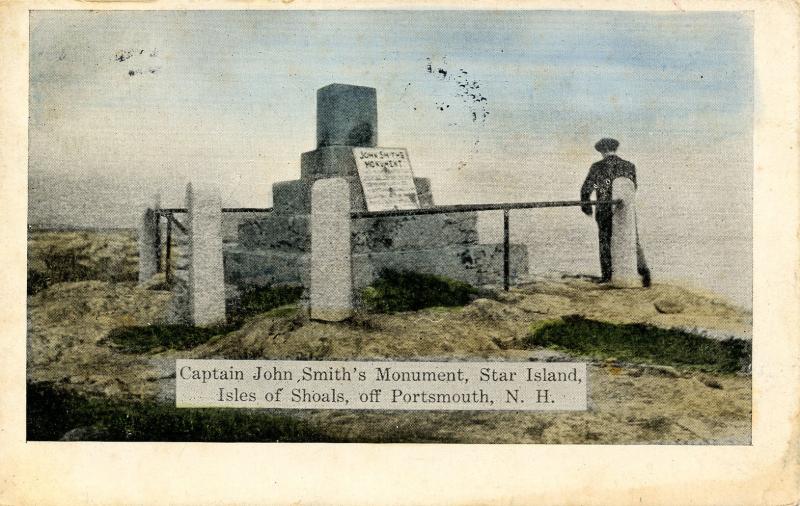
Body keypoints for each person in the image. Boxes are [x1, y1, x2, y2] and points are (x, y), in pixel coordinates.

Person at [580, 138, 651, 287]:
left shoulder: (597, 167)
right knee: (632, 238)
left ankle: (607, 277)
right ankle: (644, 275)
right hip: (625, 210)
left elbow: (587, 187)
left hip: (605, 208)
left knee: (605, 242)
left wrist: (586, 206)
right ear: (615, 149)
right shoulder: (629, 166)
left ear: (602, 151)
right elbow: (632, 188)